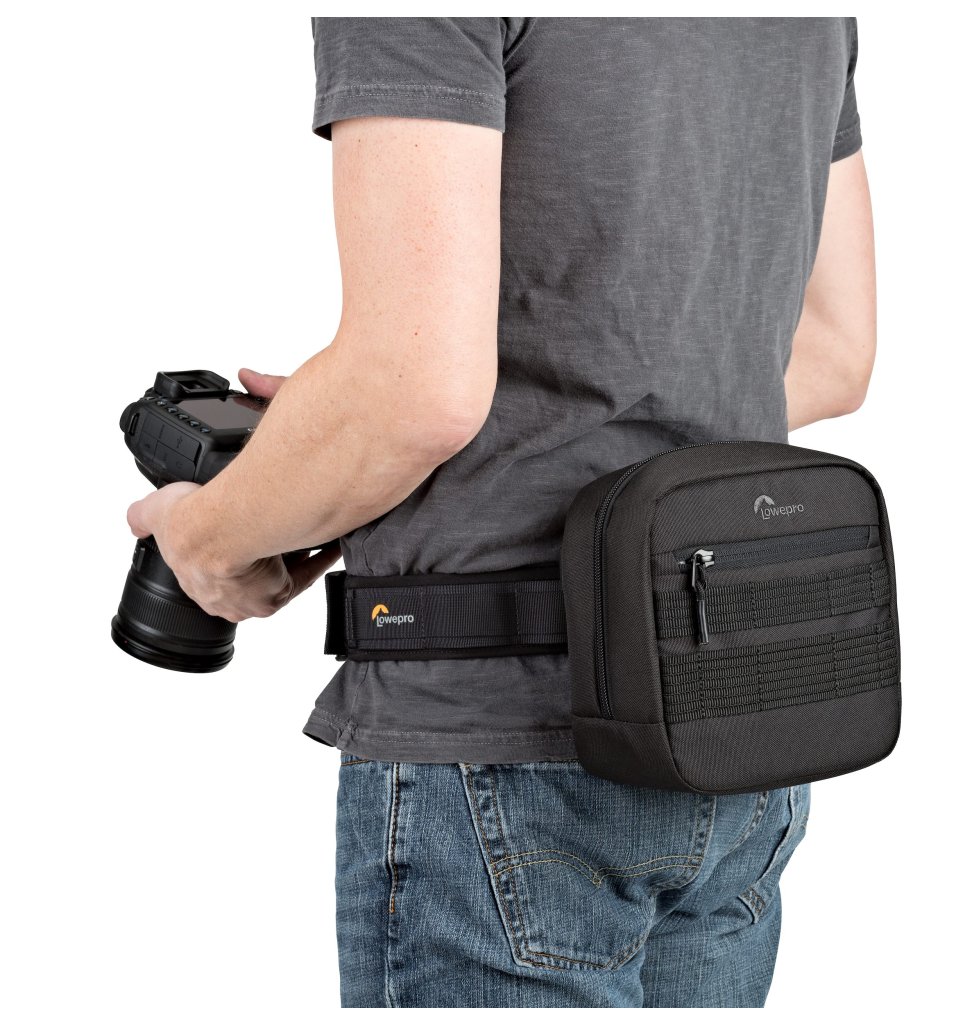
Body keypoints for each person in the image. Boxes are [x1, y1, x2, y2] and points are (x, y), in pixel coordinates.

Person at [128, 16, 875, 1009]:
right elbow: (832, 348)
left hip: (504, 748)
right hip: (734, 721)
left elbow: (413, 395)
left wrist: (209, 538)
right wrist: (337, 431)